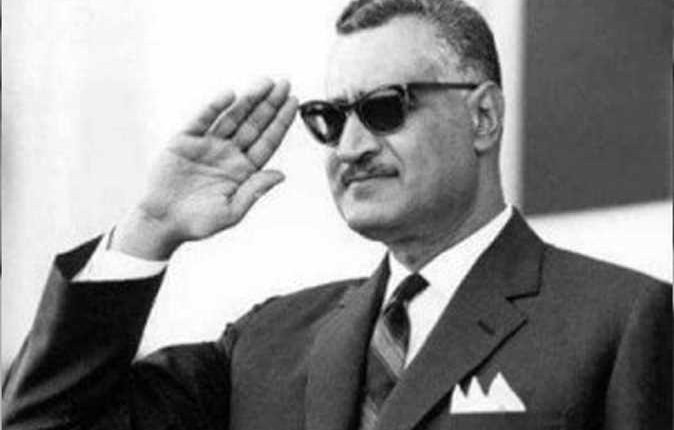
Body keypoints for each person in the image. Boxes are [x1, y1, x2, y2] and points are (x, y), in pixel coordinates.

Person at [3, 0, 672, 429]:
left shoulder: (621, 322)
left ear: (484, 116)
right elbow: (42, 421)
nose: (350, 147)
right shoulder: (265, 344)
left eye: (384, 108)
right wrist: (151, 229)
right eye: (329, 119)